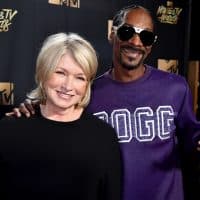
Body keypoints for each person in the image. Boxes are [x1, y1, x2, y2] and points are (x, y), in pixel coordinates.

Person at [6, 4, 200, 200]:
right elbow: (56, 121)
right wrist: (32, 110)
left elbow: (192, 144)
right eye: (127, 32)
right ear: (112, 34)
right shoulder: (88, 94)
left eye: (146, 37)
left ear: (151, 44)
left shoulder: (176, 87)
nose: (136, 42)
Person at [0, 32, 122, 200]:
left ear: (87, 84)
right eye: (60, 73)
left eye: (79, 77)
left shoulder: (104, 137)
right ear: (43, 72)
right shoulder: (9, 129)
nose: (68, 86)